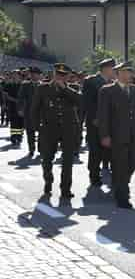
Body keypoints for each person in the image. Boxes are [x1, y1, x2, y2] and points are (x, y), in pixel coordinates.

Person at [97, 62, 135, 209]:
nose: (129, 75)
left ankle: (120, 183)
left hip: (133, 134)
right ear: (118, 73)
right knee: (120, 165)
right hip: (116, 135)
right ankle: (122, 197)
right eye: (126, 72)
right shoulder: (107, 91)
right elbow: (103, 115)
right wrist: (104, 135)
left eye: (130, 72)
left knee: (134, 161)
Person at [30, 63, 80, 199]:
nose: (60, 77)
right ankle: (48, 180)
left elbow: (80, 102)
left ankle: (66, 189)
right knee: (47, 159)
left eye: (63, 75)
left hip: (68, 129)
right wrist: (37, 128)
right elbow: (34, 109)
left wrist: (65, 88)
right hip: (48, 129)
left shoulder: (73, 88)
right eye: (58, 74)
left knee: (68, 161)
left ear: (68, 76)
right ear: (53, 74)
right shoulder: (43, 88)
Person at [82, 58, 115, 187]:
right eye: (113, 68)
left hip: (109, 123)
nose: (115, 71)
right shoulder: (91, 81)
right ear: (106, 68)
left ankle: (108, 172)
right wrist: (93, 118)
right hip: (95, 123)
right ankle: (94, 175)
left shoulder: (113, 82)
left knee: (108, 150)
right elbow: (87, 102)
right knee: (95, 150)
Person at [17, 67, 42, 158]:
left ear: (39, 75)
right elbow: (21, 97)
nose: (33, 75)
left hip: (40, 113)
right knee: (30, 132)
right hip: (29, 112)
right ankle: (31, 149)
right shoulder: (25, 85)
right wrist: (20, 109)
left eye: (35, 74)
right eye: (32, 74)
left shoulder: (43, 85)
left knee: (42, 132)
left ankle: (41, 149)